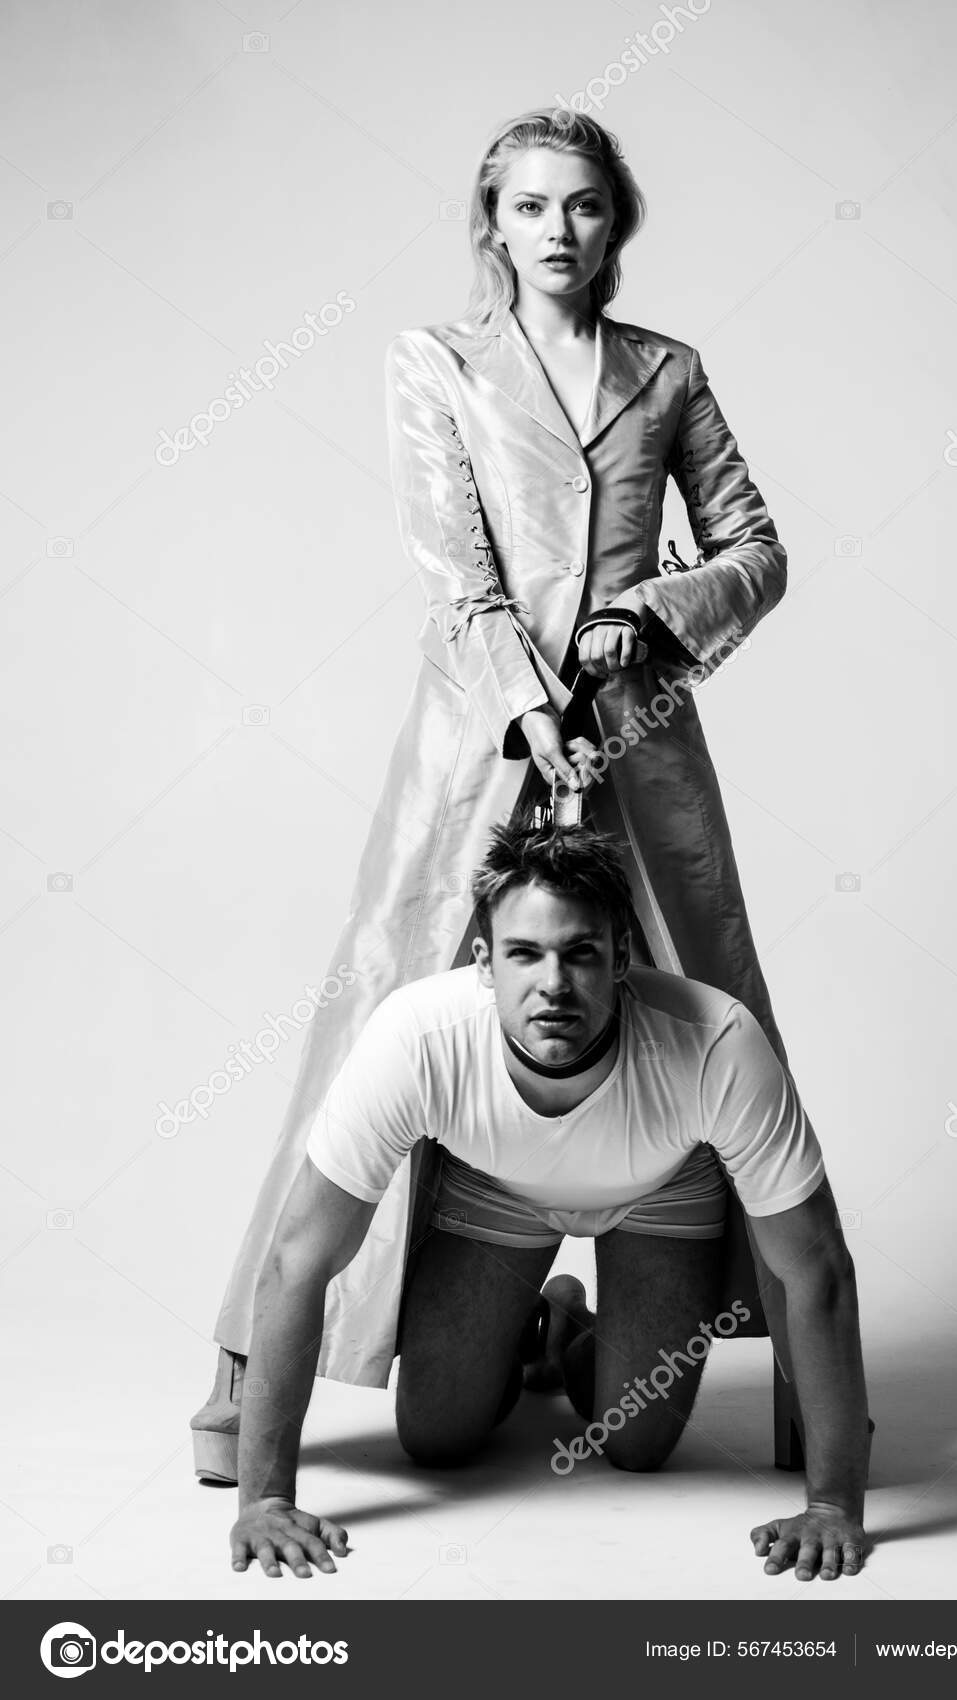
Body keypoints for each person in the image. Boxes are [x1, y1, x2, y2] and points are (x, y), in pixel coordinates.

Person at [193, 105, 800, 1485]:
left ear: (615, 218)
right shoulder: (435, 362)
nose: (557, 230)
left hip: (642, 742)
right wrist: (529, 707)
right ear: (493, 224)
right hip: (478, 741)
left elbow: (756, 550)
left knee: (710, 996)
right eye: (529, 206)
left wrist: (652, 612)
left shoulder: (668, 370)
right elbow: (457, 572)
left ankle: (796, 1369)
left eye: (582, 203)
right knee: (379, 1004)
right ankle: (247, 1357)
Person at [228, 821, 872, 1584]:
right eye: (524, 954)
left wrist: (832, 1506)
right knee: (437, 1439)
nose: (554, 984)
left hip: (660, 1189)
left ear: (621, 957)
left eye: (580, 952)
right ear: (483, 962)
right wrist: (265, 1499)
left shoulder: (715, 1041)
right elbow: (298, 1262)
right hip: (495, 1188)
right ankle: (529, 1327)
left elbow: (816, 1271)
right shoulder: (416, 1036)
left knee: (636, 1446)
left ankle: (570, 1326)